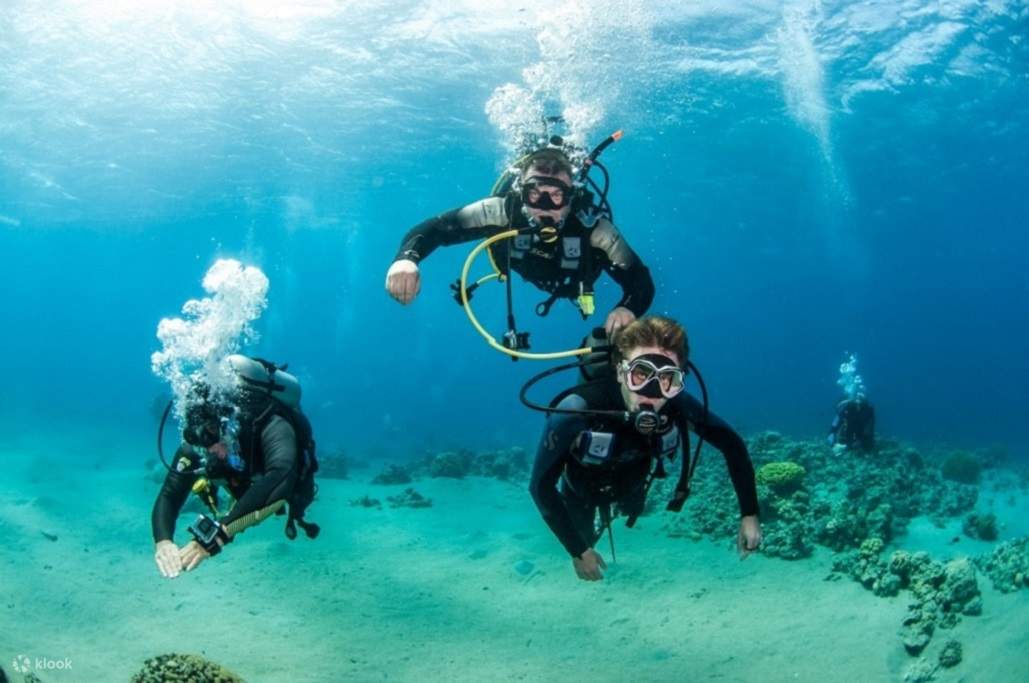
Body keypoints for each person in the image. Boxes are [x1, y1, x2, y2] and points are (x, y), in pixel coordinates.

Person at [528, 316, 762, 581]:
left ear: (678, 381)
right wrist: (578, 550)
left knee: (630, 508)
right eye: (641, 374)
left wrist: (750, 514)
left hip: (633, 483)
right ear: (620, 371)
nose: (651, 392)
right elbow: (540, 486)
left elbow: (732, 444)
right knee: (583, 536)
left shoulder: (677, 404)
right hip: (580, 489)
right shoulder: (575, 411)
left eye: (667, 379)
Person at [384, 146, 654, 338]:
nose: (545, 207)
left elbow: (639, 280)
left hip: (575, 283)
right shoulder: (500, 211)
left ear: (571, 196)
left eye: (557, 195)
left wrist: (627, 308)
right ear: (520, 192)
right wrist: (406, 258)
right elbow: (435, 228)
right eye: (535, 194)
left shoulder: (593, 228)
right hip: (523, 268)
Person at [152, 356, 319, 579]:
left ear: (227, 423)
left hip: (284, 481)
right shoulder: (203, 442)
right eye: (201, 440)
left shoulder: (272, 423)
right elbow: (170, 494)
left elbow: (281, 476)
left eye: (212, 436)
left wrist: (218, 534)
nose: (209, 450)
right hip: (247, 482)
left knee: (294, 495)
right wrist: (163, 541)